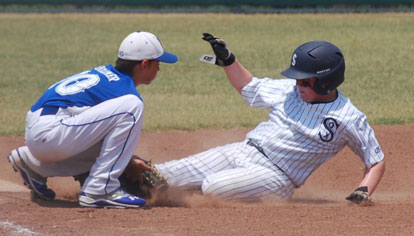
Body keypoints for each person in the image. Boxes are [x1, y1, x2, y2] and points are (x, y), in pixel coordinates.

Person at [133, 33, 385, 205]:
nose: (298, 84)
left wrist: (363, 190)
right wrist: (229, 61)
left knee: (214, 187)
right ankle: (107, 183)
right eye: (297, 78)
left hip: (275, 178)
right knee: (160, 174)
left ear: (326, 80)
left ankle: (174, 195)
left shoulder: (348, 117)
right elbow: (250, 88)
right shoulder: (290, 90)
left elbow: (375, 161)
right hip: (241, 151)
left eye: (305, 80)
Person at [7, 31, 178, 208]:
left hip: (40, 131)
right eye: (157, 63)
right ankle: (100, 188)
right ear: (144, 64)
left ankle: (33, 164)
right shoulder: (125, 90)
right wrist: (126, 160)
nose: (159, 68)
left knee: (111, 142)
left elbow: (97, 132)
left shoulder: (104, 74)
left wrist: (128, 160)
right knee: (133, 107)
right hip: (53, 133)